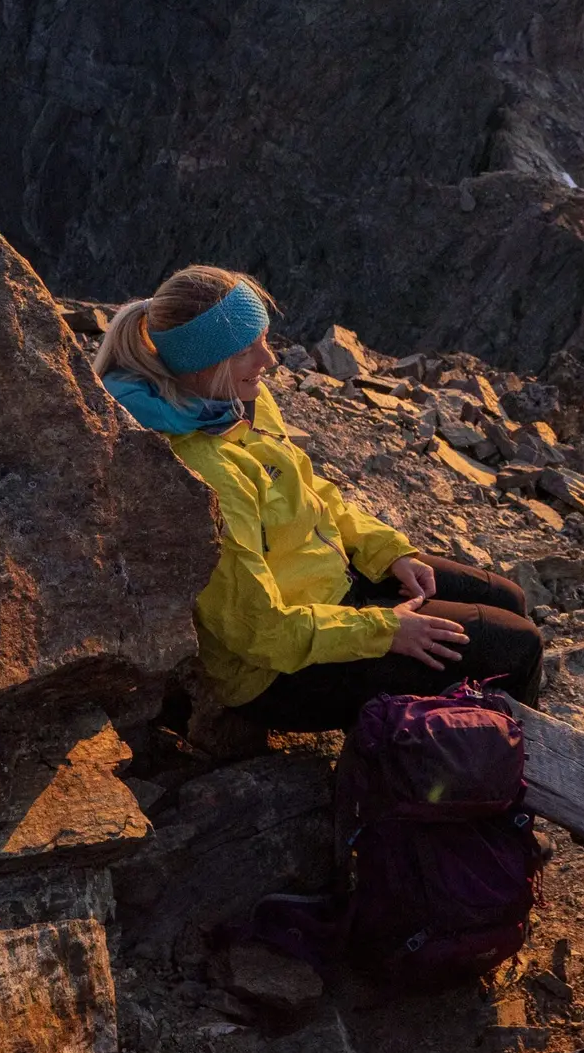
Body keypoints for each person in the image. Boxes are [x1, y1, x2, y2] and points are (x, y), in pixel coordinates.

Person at [94, 264, 541, 727]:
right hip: (282, 672)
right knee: (516, 645)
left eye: (265, 340)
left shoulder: (237, 402)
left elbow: (310, 493)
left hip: (335, 586)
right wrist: (385, 630)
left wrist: (386, 553)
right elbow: (260, 632)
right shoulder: (205, 473)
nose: (269, 360)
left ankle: (480, 740)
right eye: (250, 349)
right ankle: (494, 766)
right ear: (203, 361)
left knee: (506, 598)